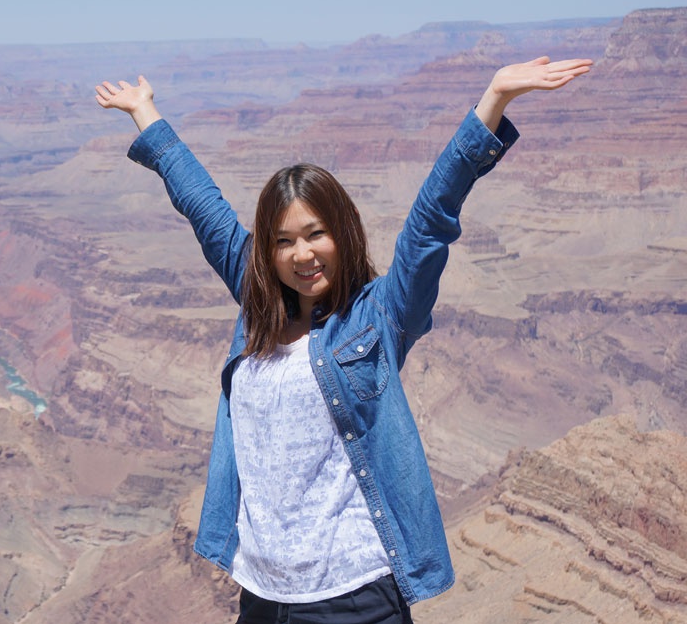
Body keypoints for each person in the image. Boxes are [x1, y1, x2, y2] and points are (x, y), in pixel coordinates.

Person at [95, 57, 593, 623]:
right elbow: (203, 208)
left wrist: (493, 101)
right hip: (262, 596)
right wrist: (145, 113)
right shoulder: (258, 303)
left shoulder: (378, 316)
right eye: (283, 241)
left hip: (354, 599)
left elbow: (431, 220)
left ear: (343, 231)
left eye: (316, 234)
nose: (302, 254)